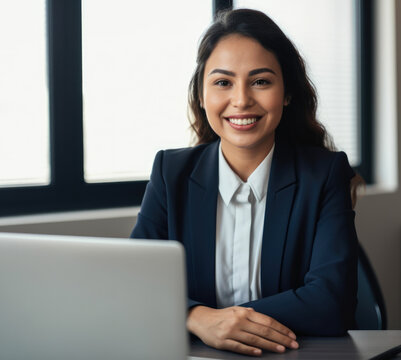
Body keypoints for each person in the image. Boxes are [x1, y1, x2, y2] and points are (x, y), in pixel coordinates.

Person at [131, 8, 359, 356]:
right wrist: (196, 317)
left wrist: (221, 322)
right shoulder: (170, 173)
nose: (241, 100)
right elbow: (135, 285)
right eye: (223, 82)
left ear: (286, 93)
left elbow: (332, 302)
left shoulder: (324, 175)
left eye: (261, 81)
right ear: (202, 95)